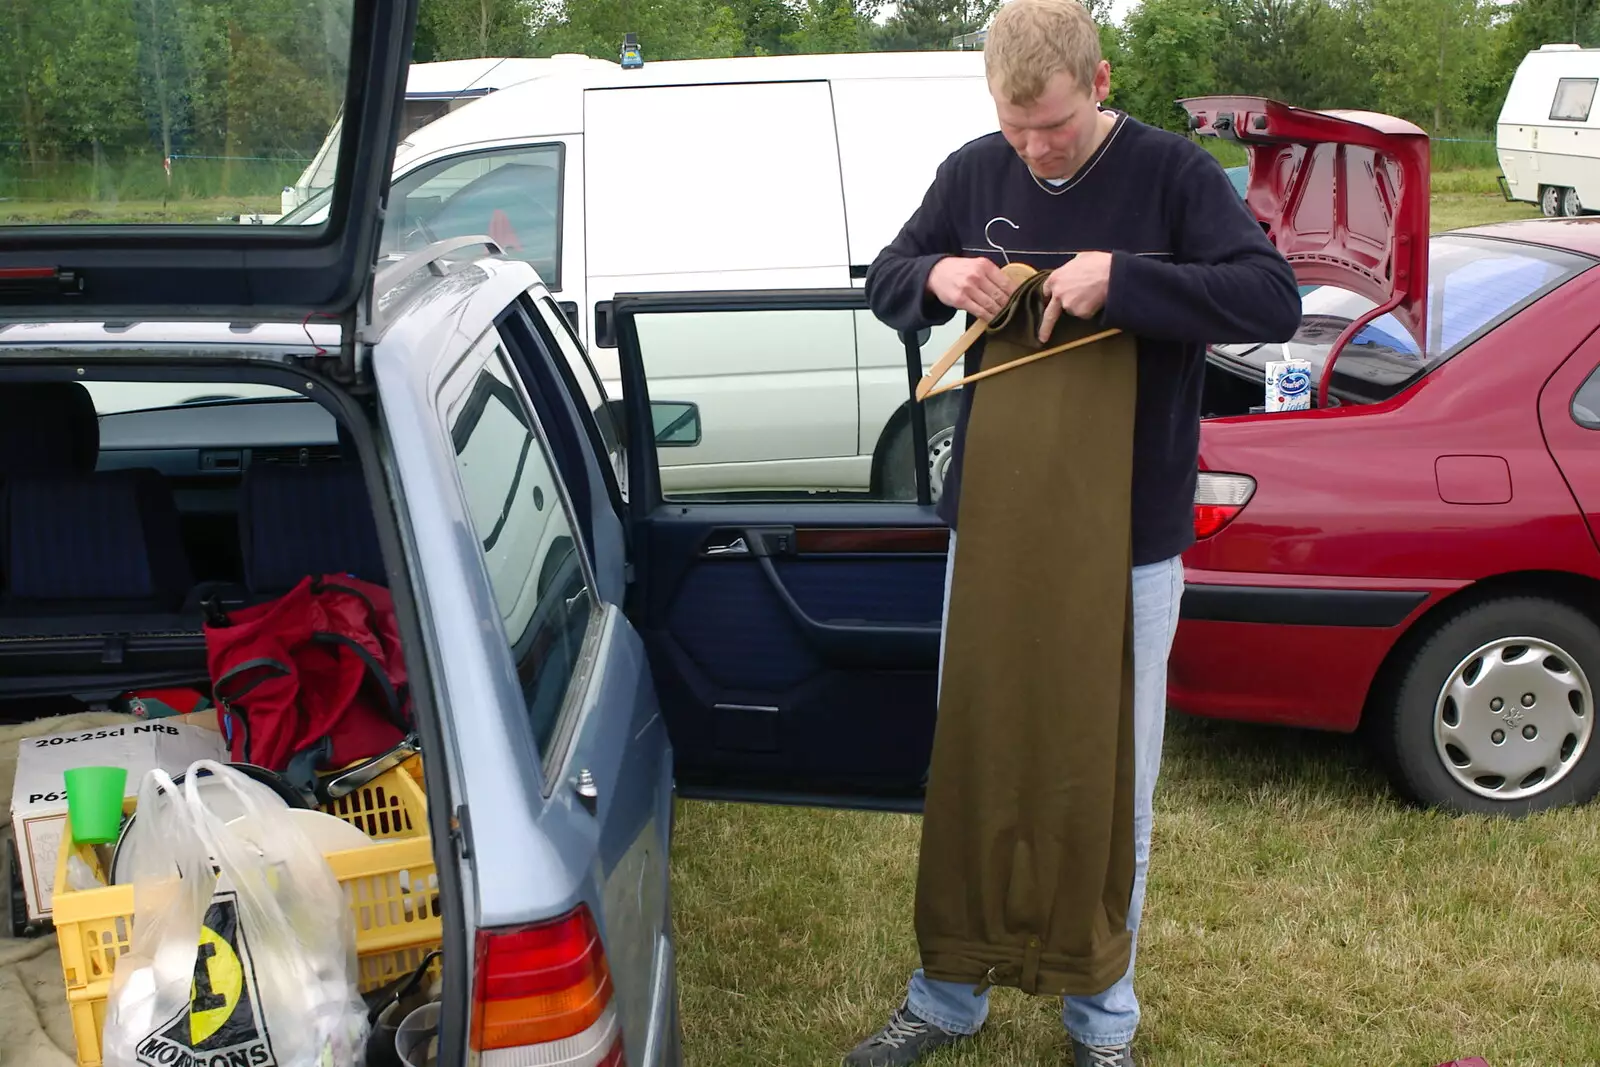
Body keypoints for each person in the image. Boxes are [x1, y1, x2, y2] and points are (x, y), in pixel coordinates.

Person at [846, 1, 1302, 1065]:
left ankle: (1101, 1018)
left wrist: (1125, 280)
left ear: (1099, 84)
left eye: (1048, 128)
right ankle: (946, 993)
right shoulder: (974, 170)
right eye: (1015, 132)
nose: (1033, 151)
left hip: (1128, 538)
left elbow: (1271, 298)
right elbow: (884, 278)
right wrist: (933, 278)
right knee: (978, 751)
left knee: (1106, 777)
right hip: (995, 529)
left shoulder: (1173, 176)